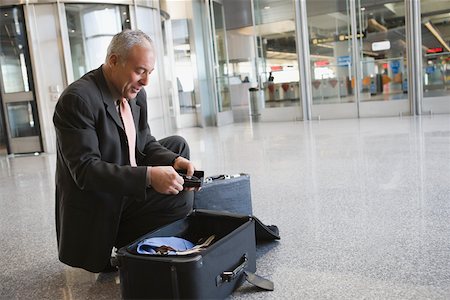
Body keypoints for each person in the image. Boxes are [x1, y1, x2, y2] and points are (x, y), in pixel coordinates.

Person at [53, 29, 197, 273]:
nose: (146, 81)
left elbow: (145, 143)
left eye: (149, 73)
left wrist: (173, 160)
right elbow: (86, 171)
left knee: (178, 146)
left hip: (123, 181)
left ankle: (154, 230)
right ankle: (124, 241)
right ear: (113, 61)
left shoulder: (133, 93)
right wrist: (150, 176)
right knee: (181, 198)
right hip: (101, 200)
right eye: (140, 71)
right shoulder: (78, 100)